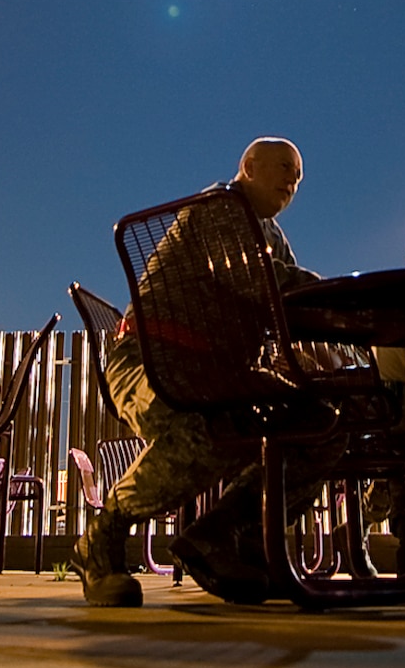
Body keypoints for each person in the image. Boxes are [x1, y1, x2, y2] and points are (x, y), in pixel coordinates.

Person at [73, 137, 327, 608]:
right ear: (248, 167)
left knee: (321, 422)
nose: (293, 180)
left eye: (298, 175)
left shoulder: (271, 234)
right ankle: (100, 540)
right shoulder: (221, 207)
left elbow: (286, 302)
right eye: (283, 167)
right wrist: (332, 292)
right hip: (154, 361)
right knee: (201, 430)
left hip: (219, 374)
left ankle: (226, 534)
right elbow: (266, 285)